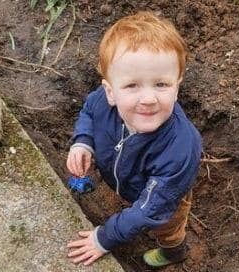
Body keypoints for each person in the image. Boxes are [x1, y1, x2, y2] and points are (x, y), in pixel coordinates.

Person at [65, 11, 202, 268]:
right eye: (132, 86)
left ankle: (175, 252)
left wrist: (104, 238)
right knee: (140, 203)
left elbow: (149, 210)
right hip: (134, 183)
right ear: (110, 91)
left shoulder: (180, 149)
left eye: (161, 84)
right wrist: (82, 141)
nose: (148, 98)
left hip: (165, 201)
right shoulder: (102, 103)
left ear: (177, 85)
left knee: (167, 228)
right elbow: (88, 112)